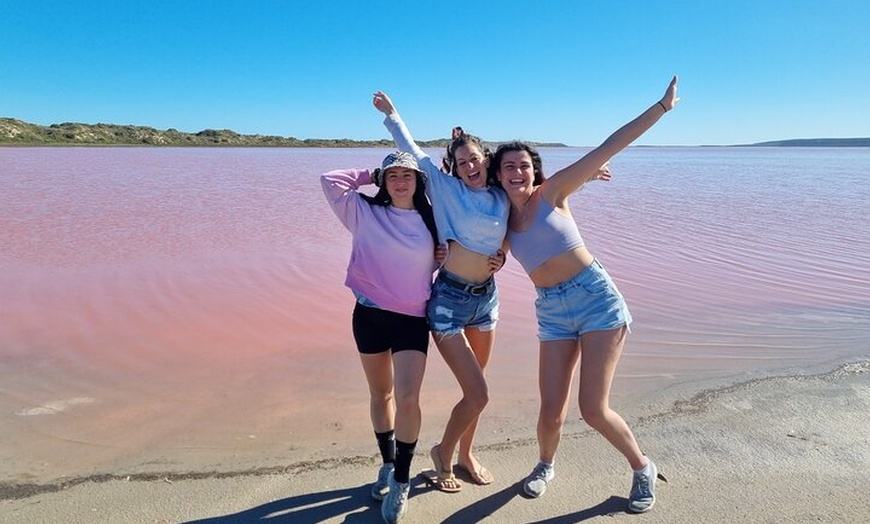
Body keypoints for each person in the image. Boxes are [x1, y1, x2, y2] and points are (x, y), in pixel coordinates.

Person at [491, 77, 679, 513]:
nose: (517, 173)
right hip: (552, 311)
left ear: (534, 170)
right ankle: (544, 465)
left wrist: (662, 107)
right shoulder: (500, 219)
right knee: (550, 407)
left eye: (523, 165)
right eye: (508, 168)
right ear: (498, 177)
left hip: (596, 299)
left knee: (593, 409)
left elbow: (610, 145)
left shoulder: (552, 192)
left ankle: (641, 467)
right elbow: (465, 214)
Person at [373, 92, 508, 493]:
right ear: (454, 165)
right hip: (448, 302)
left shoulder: (502, 194)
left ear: (486, 158)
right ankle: (442, 454)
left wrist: (588, 176)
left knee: (476, 391)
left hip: (487, 299)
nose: (469, 166)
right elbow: (410, 150)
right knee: (479, 392)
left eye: (475, 159)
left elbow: (537, 196)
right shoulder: (446, 189)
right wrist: (392, 114)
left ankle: (466, 454)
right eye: (462, 161)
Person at [320, 151, 441, 523]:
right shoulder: (362, 212)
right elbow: (330, 180)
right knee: (381, 394)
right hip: (370, 315)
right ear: (383, 181)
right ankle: (387, 464)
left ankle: (402, 479)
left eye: (408, 175)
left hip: (411, 320)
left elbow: (467, 243)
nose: (400, 181)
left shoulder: (434, 220)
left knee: (407, 399)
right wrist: (370, 173)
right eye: (392, 176)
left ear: (418, 181)